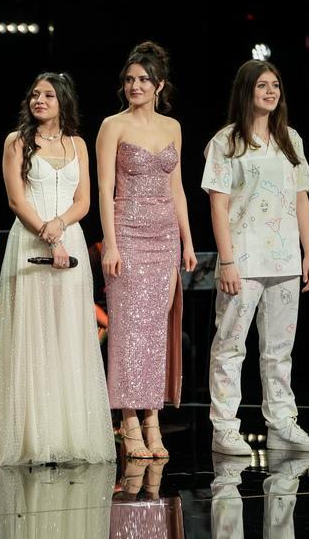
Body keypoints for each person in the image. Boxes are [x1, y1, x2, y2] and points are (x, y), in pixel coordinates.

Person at [0, 72, 116, 465]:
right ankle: (33, 438)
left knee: (67, 335)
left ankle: (69, 437)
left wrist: (61, 226)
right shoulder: (16, 142)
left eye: (48, 95)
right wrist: (48, 235)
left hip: (70, 240)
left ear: (63, 101)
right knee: (30, 337)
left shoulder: (77, 144)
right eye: (35, 94)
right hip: (30, 241)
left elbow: (84, 201)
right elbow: (16, 201)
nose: (39, 100)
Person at [201, 59, 309, 455]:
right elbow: (218, 205)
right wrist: (227, 260)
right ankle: (224, 426)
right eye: (262, 86)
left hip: (285, 260)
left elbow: (301, 198)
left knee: (279, 349)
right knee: (230, 345)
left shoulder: (290, 139)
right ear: (246, 90)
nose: (271, 92)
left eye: (275, 85)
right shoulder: (226, 142)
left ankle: (282, 423)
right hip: (243, 259)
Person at [97, 41, 196, 459]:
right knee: (126, 330)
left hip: (164, 237)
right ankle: (128, 421)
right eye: (129, 79)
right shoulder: (112, 125)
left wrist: (187, 240)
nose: (134, 86)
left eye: (142, 79)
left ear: (159, 85)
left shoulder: (173, 128)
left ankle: (153, 420)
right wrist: (111, 244)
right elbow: (105, 189)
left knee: (156, 332)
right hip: (128, 232)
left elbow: (178, 188)